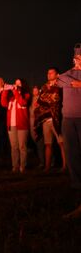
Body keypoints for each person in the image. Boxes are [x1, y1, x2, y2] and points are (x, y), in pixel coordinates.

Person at [57, 44, 81, 219]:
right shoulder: (68, 74)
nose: (78, 60)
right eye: (77, 57)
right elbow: (60, 80)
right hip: (68, 119)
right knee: (72, 155)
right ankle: (77, 188)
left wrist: (79, 83)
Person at [35, 67, 66, 172]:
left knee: (61, 143)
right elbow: (40, 100)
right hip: (46, 119)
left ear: (57, 74)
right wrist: (48, 98)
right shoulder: (44, 87)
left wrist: (47, 98)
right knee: (47, 144)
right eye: (48, 73)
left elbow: (56, 99)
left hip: (56, 118)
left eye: (51, 73)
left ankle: (65, 166)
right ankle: (47, 167)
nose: (48, 74)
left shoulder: (60, 86)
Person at [1, 78, 31, 173]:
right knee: (14, 147)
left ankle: (23, 166)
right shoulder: (12, 97)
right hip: (11, 125)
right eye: (15, 83)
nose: (16, 85)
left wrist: (15, 91)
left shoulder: (26, 95)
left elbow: (22, 102)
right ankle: (15, 166)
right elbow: (3, 103)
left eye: (19, 84)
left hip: (22, 125)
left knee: (22, 146)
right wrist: (5, 90)